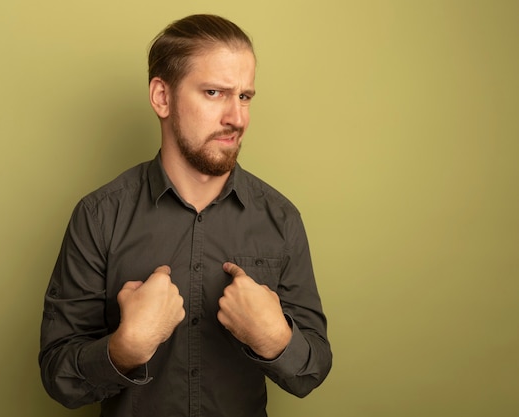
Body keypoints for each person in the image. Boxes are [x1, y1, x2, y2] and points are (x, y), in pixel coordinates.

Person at [39, 14, 332, 417]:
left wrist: (276, 337)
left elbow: (312, 370)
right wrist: (126, 347)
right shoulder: (99, 216)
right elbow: (59, 378)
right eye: (214, 92)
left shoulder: (280, 219)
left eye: (245, 96)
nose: (237, 118)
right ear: (162, 97)